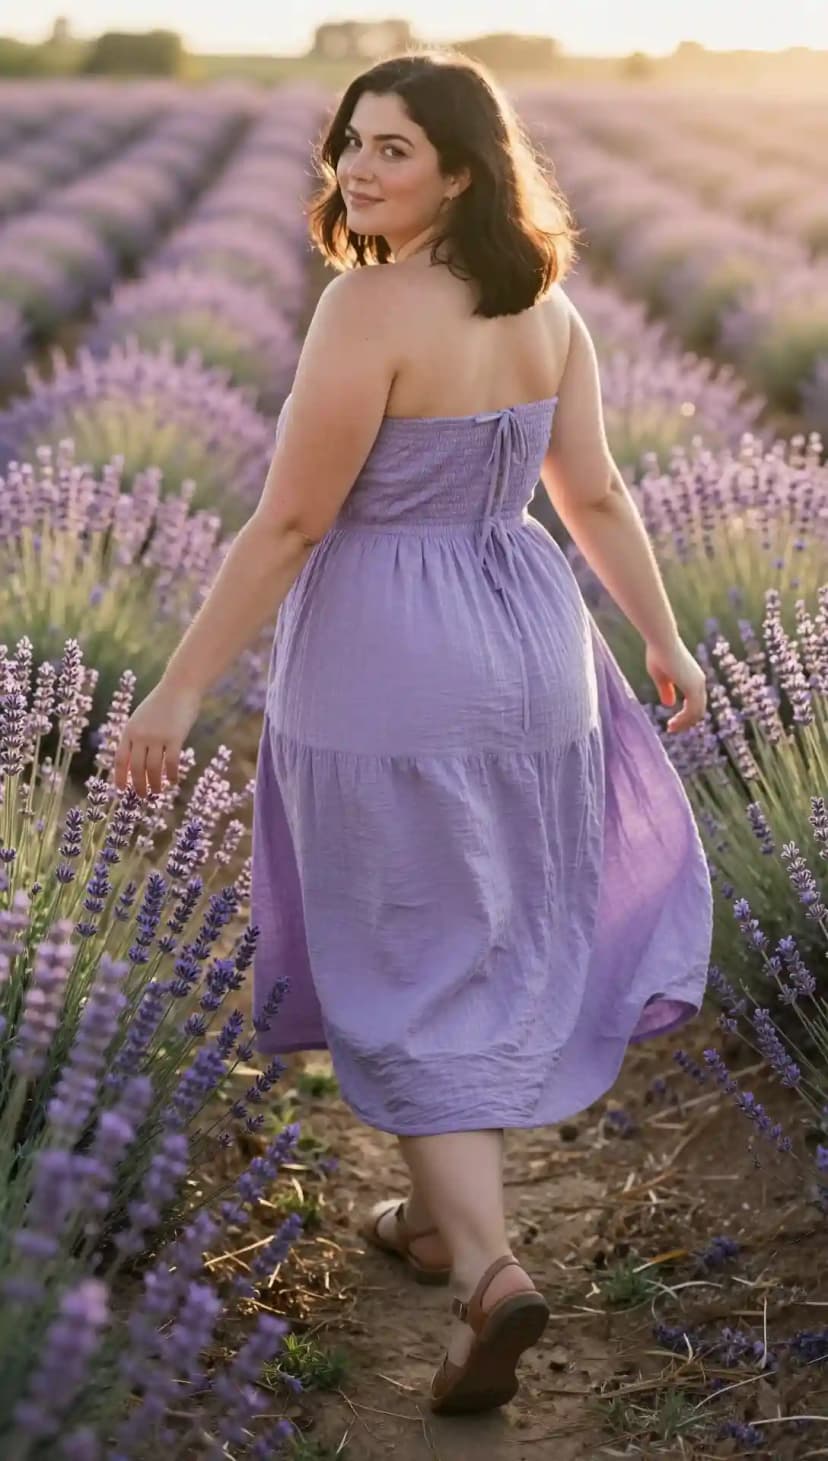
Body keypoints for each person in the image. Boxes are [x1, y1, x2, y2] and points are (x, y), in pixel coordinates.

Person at [114, 50, 713, 1418]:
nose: (358, 171)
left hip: (392, 659)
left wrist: (181, 686)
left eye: (391, 149)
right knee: (479, 942)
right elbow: (596, 498)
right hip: (530, 649)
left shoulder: (366, 307)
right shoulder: (544, 309)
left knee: (405, 953)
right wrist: (662, 639)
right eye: (348, 145)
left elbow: (292, 522)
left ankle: (489, 1266)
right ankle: (441, 1223)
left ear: (460, 168)